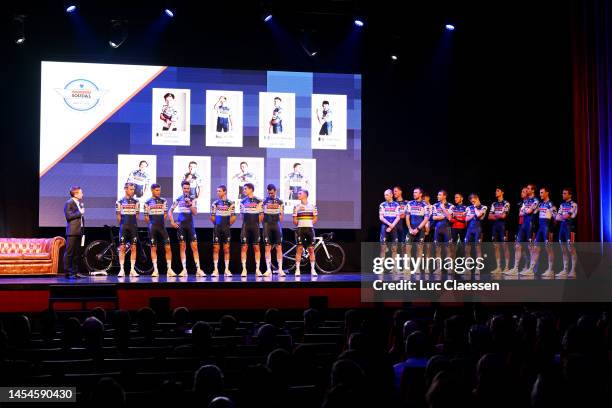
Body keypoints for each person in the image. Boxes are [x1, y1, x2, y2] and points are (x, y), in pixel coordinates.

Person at [169, 181, 204, 277]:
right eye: (185, 188)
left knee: (195, 247)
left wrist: (189, 203)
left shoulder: (193, 199)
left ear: (190, 189)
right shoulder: (178, 199)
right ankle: (184, 270)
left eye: (188, 188)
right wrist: (172, 222)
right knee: (182, 247)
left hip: (190, 225)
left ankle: (198, 270)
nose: (186, 190)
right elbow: (170, 211)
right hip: (181, 226)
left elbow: (195, 213)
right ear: (182, 188)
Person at [522, 187, 556, 278]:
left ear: (547, 193)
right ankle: (531, 269)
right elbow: (533, 212)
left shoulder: (550, 203)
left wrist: (551, 229)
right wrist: (527, 209)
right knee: (536, 248)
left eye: (542, 193)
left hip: (547, 227)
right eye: (540, 193)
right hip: (540, 228)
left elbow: (555, 216)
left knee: (549, 249)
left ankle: (550, 270)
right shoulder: (540, 204)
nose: (540, 194)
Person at [505, 186, 538, 276]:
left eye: (528, 188)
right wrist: (525, 210)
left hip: (530, 225)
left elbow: (528, 211)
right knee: (518, 245)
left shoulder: (536, 200)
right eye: (526, 188)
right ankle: (515, 268)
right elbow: (520, 213)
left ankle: (531, 269)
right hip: (523, 225)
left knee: (530, 247)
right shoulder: (526, 201)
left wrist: (525, 210)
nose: (527, 190)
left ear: (532, 190)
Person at [144, 184, 175, 277]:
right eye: (157, 190)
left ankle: (169, 269)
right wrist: (151, 224)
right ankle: (155, 270)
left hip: (162, 227)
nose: (159, 192)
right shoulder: (147, 202)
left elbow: (165, 214)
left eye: (159, 190)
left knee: (168, 247)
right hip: (152, 228)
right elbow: (146, 217)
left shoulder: (163, 201)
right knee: (153, 248)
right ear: (152, 190)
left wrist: (160, 222)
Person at [210, 185, 235, 276]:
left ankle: (226, 270)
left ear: (225, 192)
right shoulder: (215, 203)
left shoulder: (231, 203)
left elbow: (233, 216)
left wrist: (227, 225)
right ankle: (215, 270)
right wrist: (217, 225)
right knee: (216, 249)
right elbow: (212, 217)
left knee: (226, 249)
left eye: (219, 191)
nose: (218, 193)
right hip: (217, 229)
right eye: (217, 191)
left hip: (226, 229)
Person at [116, 183, 140, 277]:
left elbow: (137, 215)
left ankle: (132, 270)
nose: (133, 191)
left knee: (134, 247)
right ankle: (121, 270)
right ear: (125, 189)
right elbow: (118, 215)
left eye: (133, 189)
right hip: (123, 227)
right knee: (122, 247)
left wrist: (132, 223)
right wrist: (123, 224)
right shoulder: (119, 201)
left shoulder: (136, 201)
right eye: (131, 189)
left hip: (133, 227)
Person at [240, 183, 263, 277]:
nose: (244, 190)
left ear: (251, 189)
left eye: (245, 189)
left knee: (256, 248)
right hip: (245, 226)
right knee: (244, 247)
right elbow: (241, 216)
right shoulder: (242, 201)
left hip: (255, 227)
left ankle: (257, 269)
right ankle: (244, 269)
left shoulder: (259, 201)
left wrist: (256, 224)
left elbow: (261, 215)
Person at [293, 189, 318, 276]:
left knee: (311, 249)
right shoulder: (296, 206)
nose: (298, 194)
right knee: (299, 249)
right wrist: (300, 222)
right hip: (300, 229)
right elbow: (294, 220)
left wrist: (309, 223)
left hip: (310, 229)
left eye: (300, 193)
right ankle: (297, 270)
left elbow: (315, 218)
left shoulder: (312, 206)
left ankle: (313, 270)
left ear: (305, 195)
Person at [64, 186, 86, 279]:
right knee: (69, 253)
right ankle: (68, 272)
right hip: (72, 232)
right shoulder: (69, 203)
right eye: (81, 192)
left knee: (77, 253)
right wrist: (80, 213)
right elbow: (68, 216)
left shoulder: (78, 203)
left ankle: (76, 272)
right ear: (75, 194)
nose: (82, 194)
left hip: (78, 231)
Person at [262, 184, 285, 276]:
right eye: (269, 193)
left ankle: (280, 269)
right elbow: (262, 215)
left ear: (275, 191)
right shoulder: (264, 201)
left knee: (279, 247)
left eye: (272, 192)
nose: (270, 194)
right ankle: (268, 270)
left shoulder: (280, 201)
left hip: (276, 225)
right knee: (267, 247)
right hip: (267, 225)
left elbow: (281, 215)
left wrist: (278, 222)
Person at [405, 188, 429, 273]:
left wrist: (418, 229)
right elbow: (407, 217)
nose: (414, 194)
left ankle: (417, 268)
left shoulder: (425, 204)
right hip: (411, 230)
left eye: (416, 192)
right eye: (413, 192)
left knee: (419, 250)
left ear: (421, 194)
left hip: (420, 230)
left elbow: (426, 218)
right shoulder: (410, 203)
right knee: (407, 249)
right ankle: (407, 268)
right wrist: (410, 229)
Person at [556, 188, 578, 278]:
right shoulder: (562, 204)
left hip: (570, 228)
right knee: (563, 249)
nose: (563, 195)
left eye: (565, 193)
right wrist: (561, 217)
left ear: (570, 195)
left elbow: (567, 215)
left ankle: (573, 270)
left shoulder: (573, 204)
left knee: (571, 249)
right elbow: (557, 217)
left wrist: (562, 216)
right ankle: (565, 270)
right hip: (562, 228)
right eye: (562, 193)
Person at [488, 187, 510, 274]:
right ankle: (498, 267)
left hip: (503, 226)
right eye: (495, 190)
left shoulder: (506, 203)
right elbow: (489, 217)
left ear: (502, 192)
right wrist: (499, 215)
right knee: (496, 247)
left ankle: (507, 267)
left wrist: (495, 215)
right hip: (495, 227)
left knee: (505, 246)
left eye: (498, 191)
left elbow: (504, 216)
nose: (496, 192)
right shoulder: (494, 203)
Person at [431, 190, 454, 274]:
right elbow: (434, 217)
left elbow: (450, 218)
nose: (437, 196)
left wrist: (443, 208)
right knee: (437, 249)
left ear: (445, 196)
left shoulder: (451, 206)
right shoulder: (434, 205)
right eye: (438, 194)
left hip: (446, 229)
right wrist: (443, 216)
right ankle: (438, 268)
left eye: (439, 195)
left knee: (448, 249)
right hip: (437, 229)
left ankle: (449, 268)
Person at [464, 193, 487, 268]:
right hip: (469, 230)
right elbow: (466, 219)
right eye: (471, 201)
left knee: (478, 248)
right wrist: (473, 214)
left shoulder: (484, 207)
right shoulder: (468, 208)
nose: (472, 203)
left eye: (474, 201)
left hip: (478, 229)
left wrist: (475, 208)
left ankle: (478, 267)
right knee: (467, 248)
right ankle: (468, 266)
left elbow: (479, 215)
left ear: (477, 199)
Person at [379, 189, 401, 264]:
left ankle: (394, 267)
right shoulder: (382, 205)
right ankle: (381, 266)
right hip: (385, 227)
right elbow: (381, 217)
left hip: (393, 227)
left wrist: (391, 226)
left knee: (394, 248)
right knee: (383, 248)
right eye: (384, 195)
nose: (385, 196)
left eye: (387, 195)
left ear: (391, 195)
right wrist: (389, 224)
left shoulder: (397, 205)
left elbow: (398, 217)